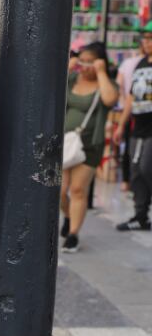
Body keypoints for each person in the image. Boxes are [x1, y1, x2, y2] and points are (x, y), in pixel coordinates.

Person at [61, 43, 118, 253]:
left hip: (89, 145)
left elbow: (110, 100)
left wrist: (101, 72)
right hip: (65, 142)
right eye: (82, 61)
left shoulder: (107, 83)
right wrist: (69, 66)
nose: (85, 66)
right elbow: (51, 87)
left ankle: (73, 234)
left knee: (77, 189)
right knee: (59, 190)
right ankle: (67, 216)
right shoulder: (73, 79)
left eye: (90, 61)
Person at [113, 22, 152, 231]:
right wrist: (121, 125)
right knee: (136, 170)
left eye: (149, 39)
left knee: (147, 167)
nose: (146, 43)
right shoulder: (141, 64)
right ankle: (140, 215)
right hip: (139, 126)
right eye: (144, 39)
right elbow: (130, 97)